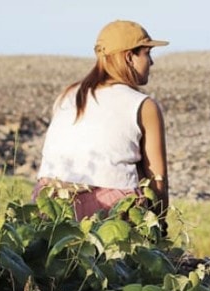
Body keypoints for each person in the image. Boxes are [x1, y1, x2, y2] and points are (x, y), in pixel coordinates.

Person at [34, 19, 170, 222]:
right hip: (104, 208)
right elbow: (158, 181)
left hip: (48, 201)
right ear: (129, 57)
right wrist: (159, 223)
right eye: (147, 53)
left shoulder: (68, 95)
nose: (151, 62)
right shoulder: (142, 105)